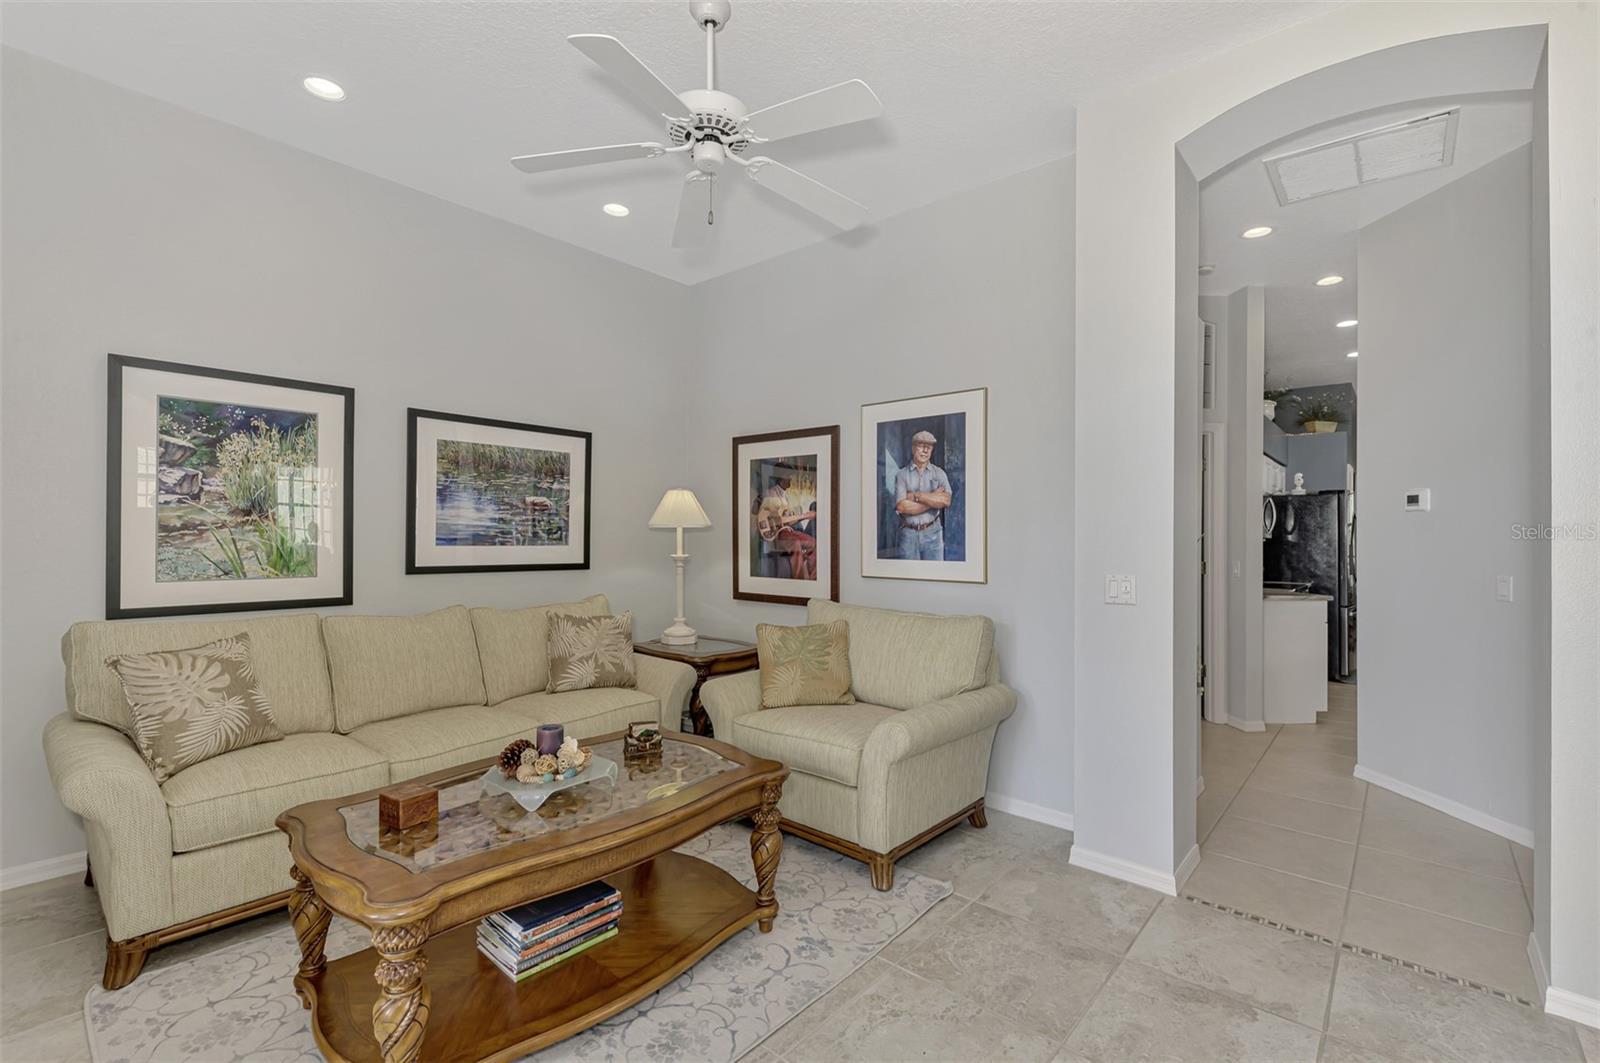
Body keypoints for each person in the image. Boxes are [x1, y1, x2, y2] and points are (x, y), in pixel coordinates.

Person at [893, 430, 952, 560]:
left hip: (933, 534)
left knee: (935, 572)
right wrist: (933, 498)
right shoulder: (901, 475)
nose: (925, 450)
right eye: (921, 445)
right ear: (913, 448)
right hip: (908, 534)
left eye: (929, 447)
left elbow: (946, 500)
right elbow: (902, 507)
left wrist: (917, 496)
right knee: (908, 572)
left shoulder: (940, 473)